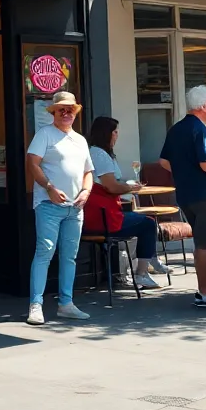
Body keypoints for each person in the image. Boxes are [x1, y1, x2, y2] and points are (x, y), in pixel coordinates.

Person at [159, 85, 206, 308]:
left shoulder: (176, 129)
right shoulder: (200, 129)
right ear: (203, 106)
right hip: (205, 193)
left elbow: (164, 161)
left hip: (186, 194)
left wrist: (185, 172)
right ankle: (205, 293)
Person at [26, 90, 94, 325]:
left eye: (70, 109)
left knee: (69, 257)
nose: (66, 113)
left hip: (75, 207)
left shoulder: (80, 140)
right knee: (44, 253)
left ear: (75, 112)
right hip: (49, 205)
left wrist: (86, 191)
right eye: (61, 110)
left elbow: (88, 172)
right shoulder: (44, 134)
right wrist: (49, 187)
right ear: (53, 112)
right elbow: (32, 163)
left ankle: (66, 303)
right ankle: (36, 304)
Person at [85, 116, 172, 290]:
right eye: (115, 132)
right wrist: (130, 188)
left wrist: (126, 186)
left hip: (101, 212)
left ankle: (151, 260)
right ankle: (142, 273)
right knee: (148, 223)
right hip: (103, 217)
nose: (117, 135)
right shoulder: (99, 155)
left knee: (144, 220)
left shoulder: (98, 153)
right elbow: (110, 186)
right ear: (107, 133)